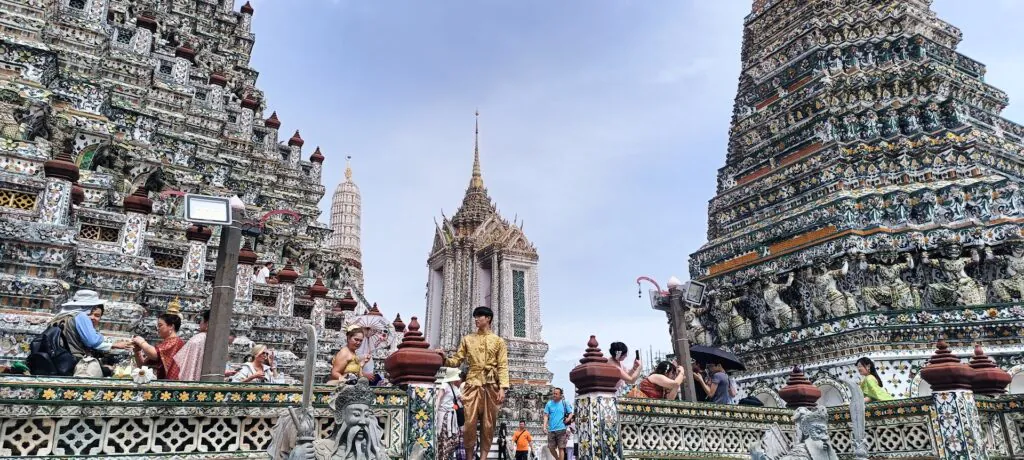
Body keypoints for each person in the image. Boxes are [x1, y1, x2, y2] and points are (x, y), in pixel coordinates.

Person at [437, 306, 509, 460]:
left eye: (479, 317)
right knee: (469, 424)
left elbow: (502, 365)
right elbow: (457, 360)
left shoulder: (498, 341)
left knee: (488, 425)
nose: (476, 319)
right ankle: (469, 457)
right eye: (475, 317)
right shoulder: (467, 339)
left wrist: (502, 388)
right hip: (472, 384)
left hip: (491, 386)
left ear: (488, 319)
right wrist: (444, 358)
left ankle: (483, 458)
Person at [39, 290, 131, 376]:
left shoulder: (60, 317)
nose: (92, 317)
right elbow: (93, 341)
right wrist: (115, 344)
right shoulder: (81, 316)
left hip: (53, 360)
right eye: (90, 313)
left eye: (97, 316)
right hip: (71, 361)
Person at [131, 312, 185, 380]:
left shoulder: (175, 341)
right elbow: (143, 366)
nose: (158, 329)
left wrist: (142, 342)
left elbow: (154, 354)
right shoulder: (165, 343)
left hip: (169, 384)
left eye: (160, 325)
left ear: (171, 326)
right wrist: (137, 352)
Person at [435, 367, 465, 460]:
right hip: (444, 416)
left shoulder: (455, 388)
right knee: (444, 439)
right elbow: (439, 398)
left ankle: (448, 457)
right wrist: (435, 411)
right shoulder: (445, 385)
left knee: (452, 440)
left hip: (452, 417)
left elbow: (462, 399)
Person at [174, 310, 209, 381]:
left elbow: (181, 364)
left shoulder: (197, 340)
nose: (200, 324)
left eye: (201, 321)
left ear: (207, 323)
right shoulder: (222, 342)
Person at [544, 387, 573, 460]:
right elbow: (546, 415)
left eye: (556, 394)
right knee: (551, 448)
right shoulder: (549, 403)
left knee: (561, 448)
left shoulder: (564, 403)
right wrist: (544, 426)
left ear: (560, 395)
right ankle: (557, 458)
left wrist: (568, 419)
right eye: (554, 393)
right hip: (551, 429)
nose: (554, 395)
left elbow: (570, 413)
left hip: (561, 429)